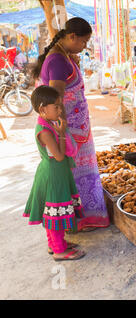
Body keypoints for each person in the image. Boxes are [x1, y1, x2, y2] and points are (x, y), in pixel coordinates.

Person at [31, 17, 109, 232]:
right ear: (72, 37)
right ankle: (77, 221)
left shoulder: (64, 55)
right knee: (74, 174)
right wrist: (62, 131)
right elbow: (56, 98)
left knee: (79, 173)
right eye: (83, 42)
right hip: (69, 131)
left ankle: (78, 220)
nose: (84, 46)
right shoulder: (57, 60)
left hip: (76, 129)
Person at [23, 85, 86, 261]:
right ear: (43, 109)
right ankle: (59, 251)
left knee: (54, 212)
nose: (60, 109)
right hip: (53, 175)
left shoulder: (48, 123)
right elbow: (58, 156)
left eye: (60, 105)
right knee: (55, 213)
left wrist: (59, 131)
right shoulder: (44, 131)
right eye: (56, 106)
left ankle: (55, 244)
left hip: (57, 173)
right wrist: (62, 134)